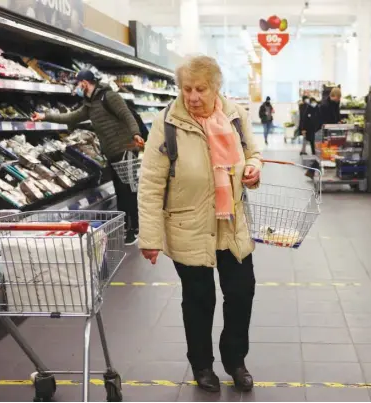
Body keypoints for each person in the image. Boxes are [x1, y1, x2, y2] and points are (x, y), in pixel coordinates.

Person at [137, 55, 262, 393]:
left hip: (231, 224)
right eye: (186, 89)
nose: (192, 96)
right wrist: (149, 236)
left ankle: (235, 359)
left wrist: (252, 168)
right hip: (187, 225)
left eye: (200, 89)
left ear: (215, 87)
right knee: (198, 298)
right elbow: (150, 182)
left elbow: (252, 152)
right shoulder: (168, 122)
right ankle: (203, 365)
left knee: (241, 292)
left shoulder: (235, 115)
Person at [31, 70, 143, 245]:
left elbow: (126, 115)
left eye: (78, 83)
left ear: (84, 83)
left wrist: (136, 134)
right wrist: (45, 116)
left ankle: (134, 228)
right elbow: (70, 117)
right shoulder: (89, 105)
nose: (77, 87)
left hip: (126, 149)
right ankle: (125, 226)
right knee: (121, 191)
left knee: (128, 190)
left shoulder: (109, 96)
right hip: (112, 153)